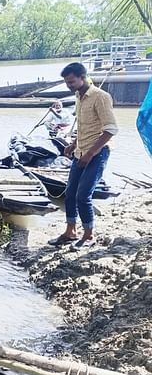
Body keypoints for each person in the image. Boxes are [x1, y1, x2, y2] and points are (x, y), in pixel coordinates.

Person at [47, 63, 118, 249]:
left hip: (97, 152)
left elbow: (110, 130)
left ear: (82, 77)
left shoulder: (100, 97)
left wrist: (90, 153)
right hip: (80, 152)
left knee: (83, 195)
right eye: (66, 83)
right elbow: (84, 126)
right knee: (70, 193)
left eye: (71, 81)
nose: (69, 86)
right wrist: (73, 144)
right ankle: (70, 231)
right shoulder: (79, 96)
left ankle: (89, 235)